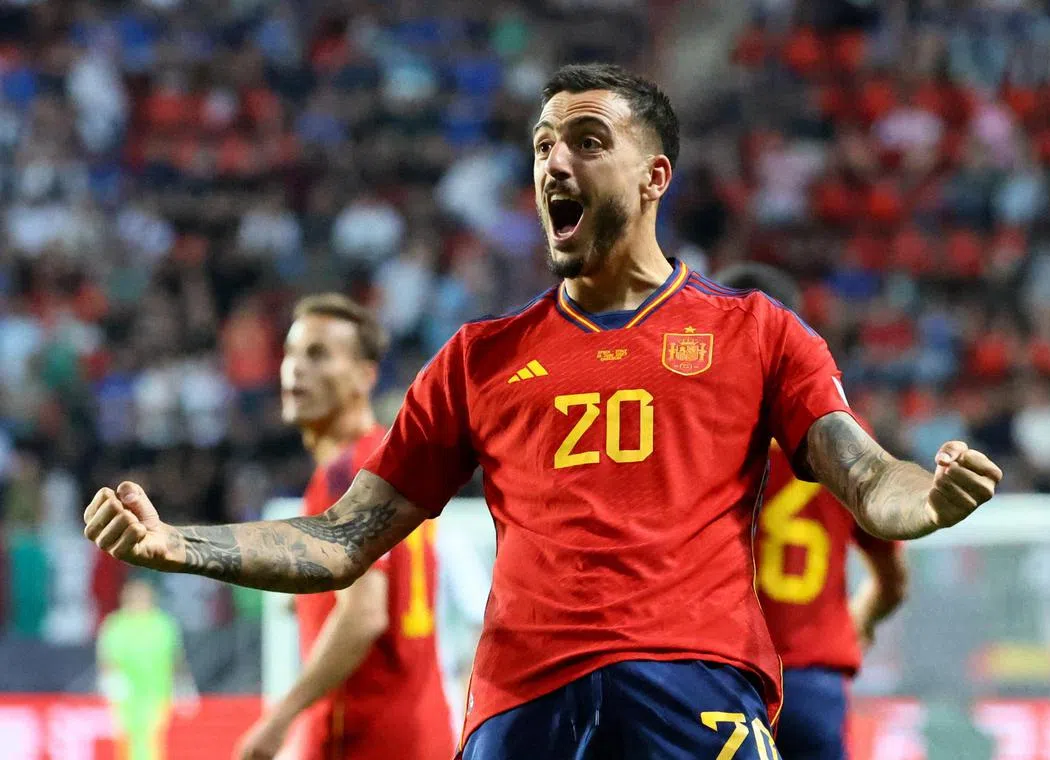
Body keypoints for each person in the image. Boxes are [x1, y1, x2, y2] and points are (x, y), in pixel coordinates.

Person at [82, 63, 1003, 760]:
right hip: (520, 710)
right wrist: (179, 544)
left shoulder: (755, 332)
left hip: (692, 687)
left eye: (588, 141)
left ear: (655, 176)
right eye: (542, 147)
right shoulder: (478, 358)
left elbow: (866, 477)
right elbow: (342, 538)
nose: (555, 162)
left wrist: (926, 498)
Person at [234, 293, 454, 760]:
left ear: (365, 376)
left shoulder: (349, 474)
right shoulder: (394, 464)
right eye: (290, 353)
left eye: (318, 354)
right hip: (423, 726)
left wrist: (280, 717)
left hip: (361, 733)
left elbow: (364, 613)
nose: (295, 369)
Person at [717, 263, 909, 760]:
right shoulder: (842, 436)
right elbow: (892, 577)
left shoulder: (700, 430)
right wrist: (863, 616)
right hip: (811, 681)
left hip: (720, 680)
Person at [96, 577, 197, 760]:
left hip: (158, 693)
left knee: (153, 739)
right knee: (128, 739)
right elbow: (107, 660)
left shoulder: (163, 624)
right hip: (127, 698)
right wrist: (112, 683)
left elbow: (175, 658)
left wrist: (183, 685)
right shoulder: (116, 624)